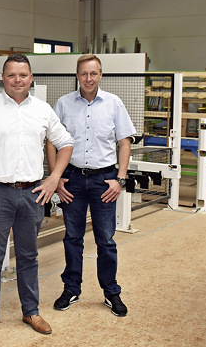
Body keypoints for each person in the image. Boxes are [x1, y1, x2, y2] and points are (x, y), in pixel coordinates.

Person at [0, 54, 74, 344]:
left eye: (23, 75)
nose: (17, 80)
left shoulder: (42, 109)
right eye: (11, 75)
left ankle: (31, 311)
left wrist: (53, 178)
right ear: (3, 77)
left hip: (33, 193)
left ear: (31, 78)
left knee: (29, 256)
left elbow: (66, 143)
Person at [46, 54, 136, 317]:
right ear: (77, 75)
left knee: (105, 240)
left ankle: (111, 292)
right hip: (71, 180)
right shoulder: (62, 104)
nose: (88, 79)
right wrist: (56, 176)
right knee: (72, 237)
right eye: (84, 74)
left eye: (93, 73)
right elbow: (51, 142)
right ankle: (71, 288)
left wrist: (119, 179)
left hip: (103, 181)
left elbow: (124, 142)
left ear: (101, 75)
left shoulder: (113, 104)